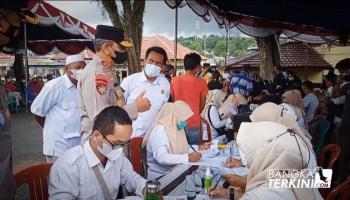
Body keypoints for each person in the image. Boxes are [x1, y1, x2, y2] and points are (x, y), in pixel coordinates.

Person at [210, 103, 322, 200]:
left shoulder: (271, 192)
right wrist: (229, 193)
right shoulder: (291, 142)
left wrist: (247, 182)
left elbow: (316, 180)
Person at [48, 106, 146, 199]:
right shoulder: (68, 166)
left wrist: (146, 188)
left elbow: (131, 178)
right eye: (116, 143)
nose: (120, 149)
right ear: (96, 135)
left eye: (124, 143)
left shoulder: (117, 154)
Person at [78, 25, 151, 143]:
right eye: (121, 47)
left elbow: (115, 106)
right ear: (106, 48)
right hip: (100, 147)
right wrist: (134, 107)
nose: (125, 51)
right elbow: (100, 118)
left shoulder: (106, 71)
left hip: (112, 143)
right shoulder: (96, 75)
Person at [31, 55, 86, 163]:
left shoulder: (82, 87)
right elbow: (37, 112)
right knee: (58, 178)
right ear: (67, 69)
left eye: (83, 68)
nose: (81, 71)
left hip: (78, 146)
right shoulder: (54, 86)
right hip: (59, 147)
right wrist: (48, 128)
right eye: (77, 67)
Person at [142, 101, 203, 180]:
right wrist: (187, 158)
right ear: (174, 117)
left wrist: (198, 148)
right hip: (160, 177)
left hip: (175, 172)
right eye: (183, 119)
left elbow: (182, 147)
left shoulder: (175, 128)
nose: (186, 122)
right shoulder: (159, 131)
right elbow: (162, 157)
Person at [121, 46, 170, 138]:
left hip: (155, 137)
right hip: (132, 137)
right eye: (151, 61)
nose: (153, 65)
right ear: (144, 61)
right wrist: (134, 106)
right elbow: (116, 110)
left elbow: (164, 109)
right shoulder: (129, 81)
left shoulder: (165, 83)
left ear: (162, 67)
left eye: (158, 63)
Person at [171, 53, 208, 145]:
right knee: (194, 153)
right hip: (193, 122)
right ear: (197, 66)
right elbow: (202, 104)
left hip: (179, 122)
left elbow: (172, 100)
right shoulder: (202, 82)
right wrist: (194, 113)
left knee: (179, 153)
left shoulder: (174, 80)